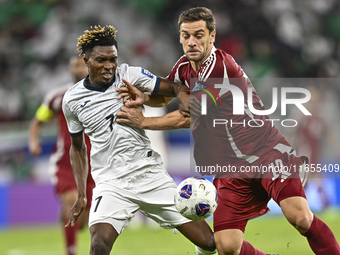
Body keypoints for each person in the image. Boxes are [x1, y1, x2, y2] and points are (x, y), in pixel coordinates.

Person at [116, 7, 340, 255]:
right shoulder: (183, 67)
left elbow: (187, 117)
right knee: (227, 246)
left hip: (266, 154)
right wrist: (144, 98)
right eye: (186, 35)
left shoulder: (219, 67)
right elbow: (166, 96)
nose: (192, 42)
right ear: (179, 37)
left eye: (199, 35)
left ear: (212, 36)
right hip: (230, 168)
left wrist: (142, 122)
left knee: (300, 217)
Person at [62, 25, 216, 255]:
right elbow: (78, 148)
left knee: (209, 243)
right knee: (99, 243)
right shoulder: (72, 100)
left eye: (113, 59)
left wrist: (182, 95)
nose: (109, 66)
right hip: (111, 182)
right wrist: (83, 193)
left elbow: (171, 86)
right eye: (101, 60)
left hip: (149, 175)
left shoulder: (128, 74)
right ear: (86, 59)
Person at [28, 56, 95, 255]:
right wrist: (33, 141)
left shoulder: (103, 94)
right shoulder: (56, 97)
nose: (79, 68)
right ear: (70, 70)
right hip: (66, 162)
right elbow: (37, 121)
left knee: (82, 219)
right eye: (75, 65)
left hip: (93, 164)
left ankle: (67, 216)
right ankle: (71, 251)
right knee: (72, 200)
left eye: (83, 64)